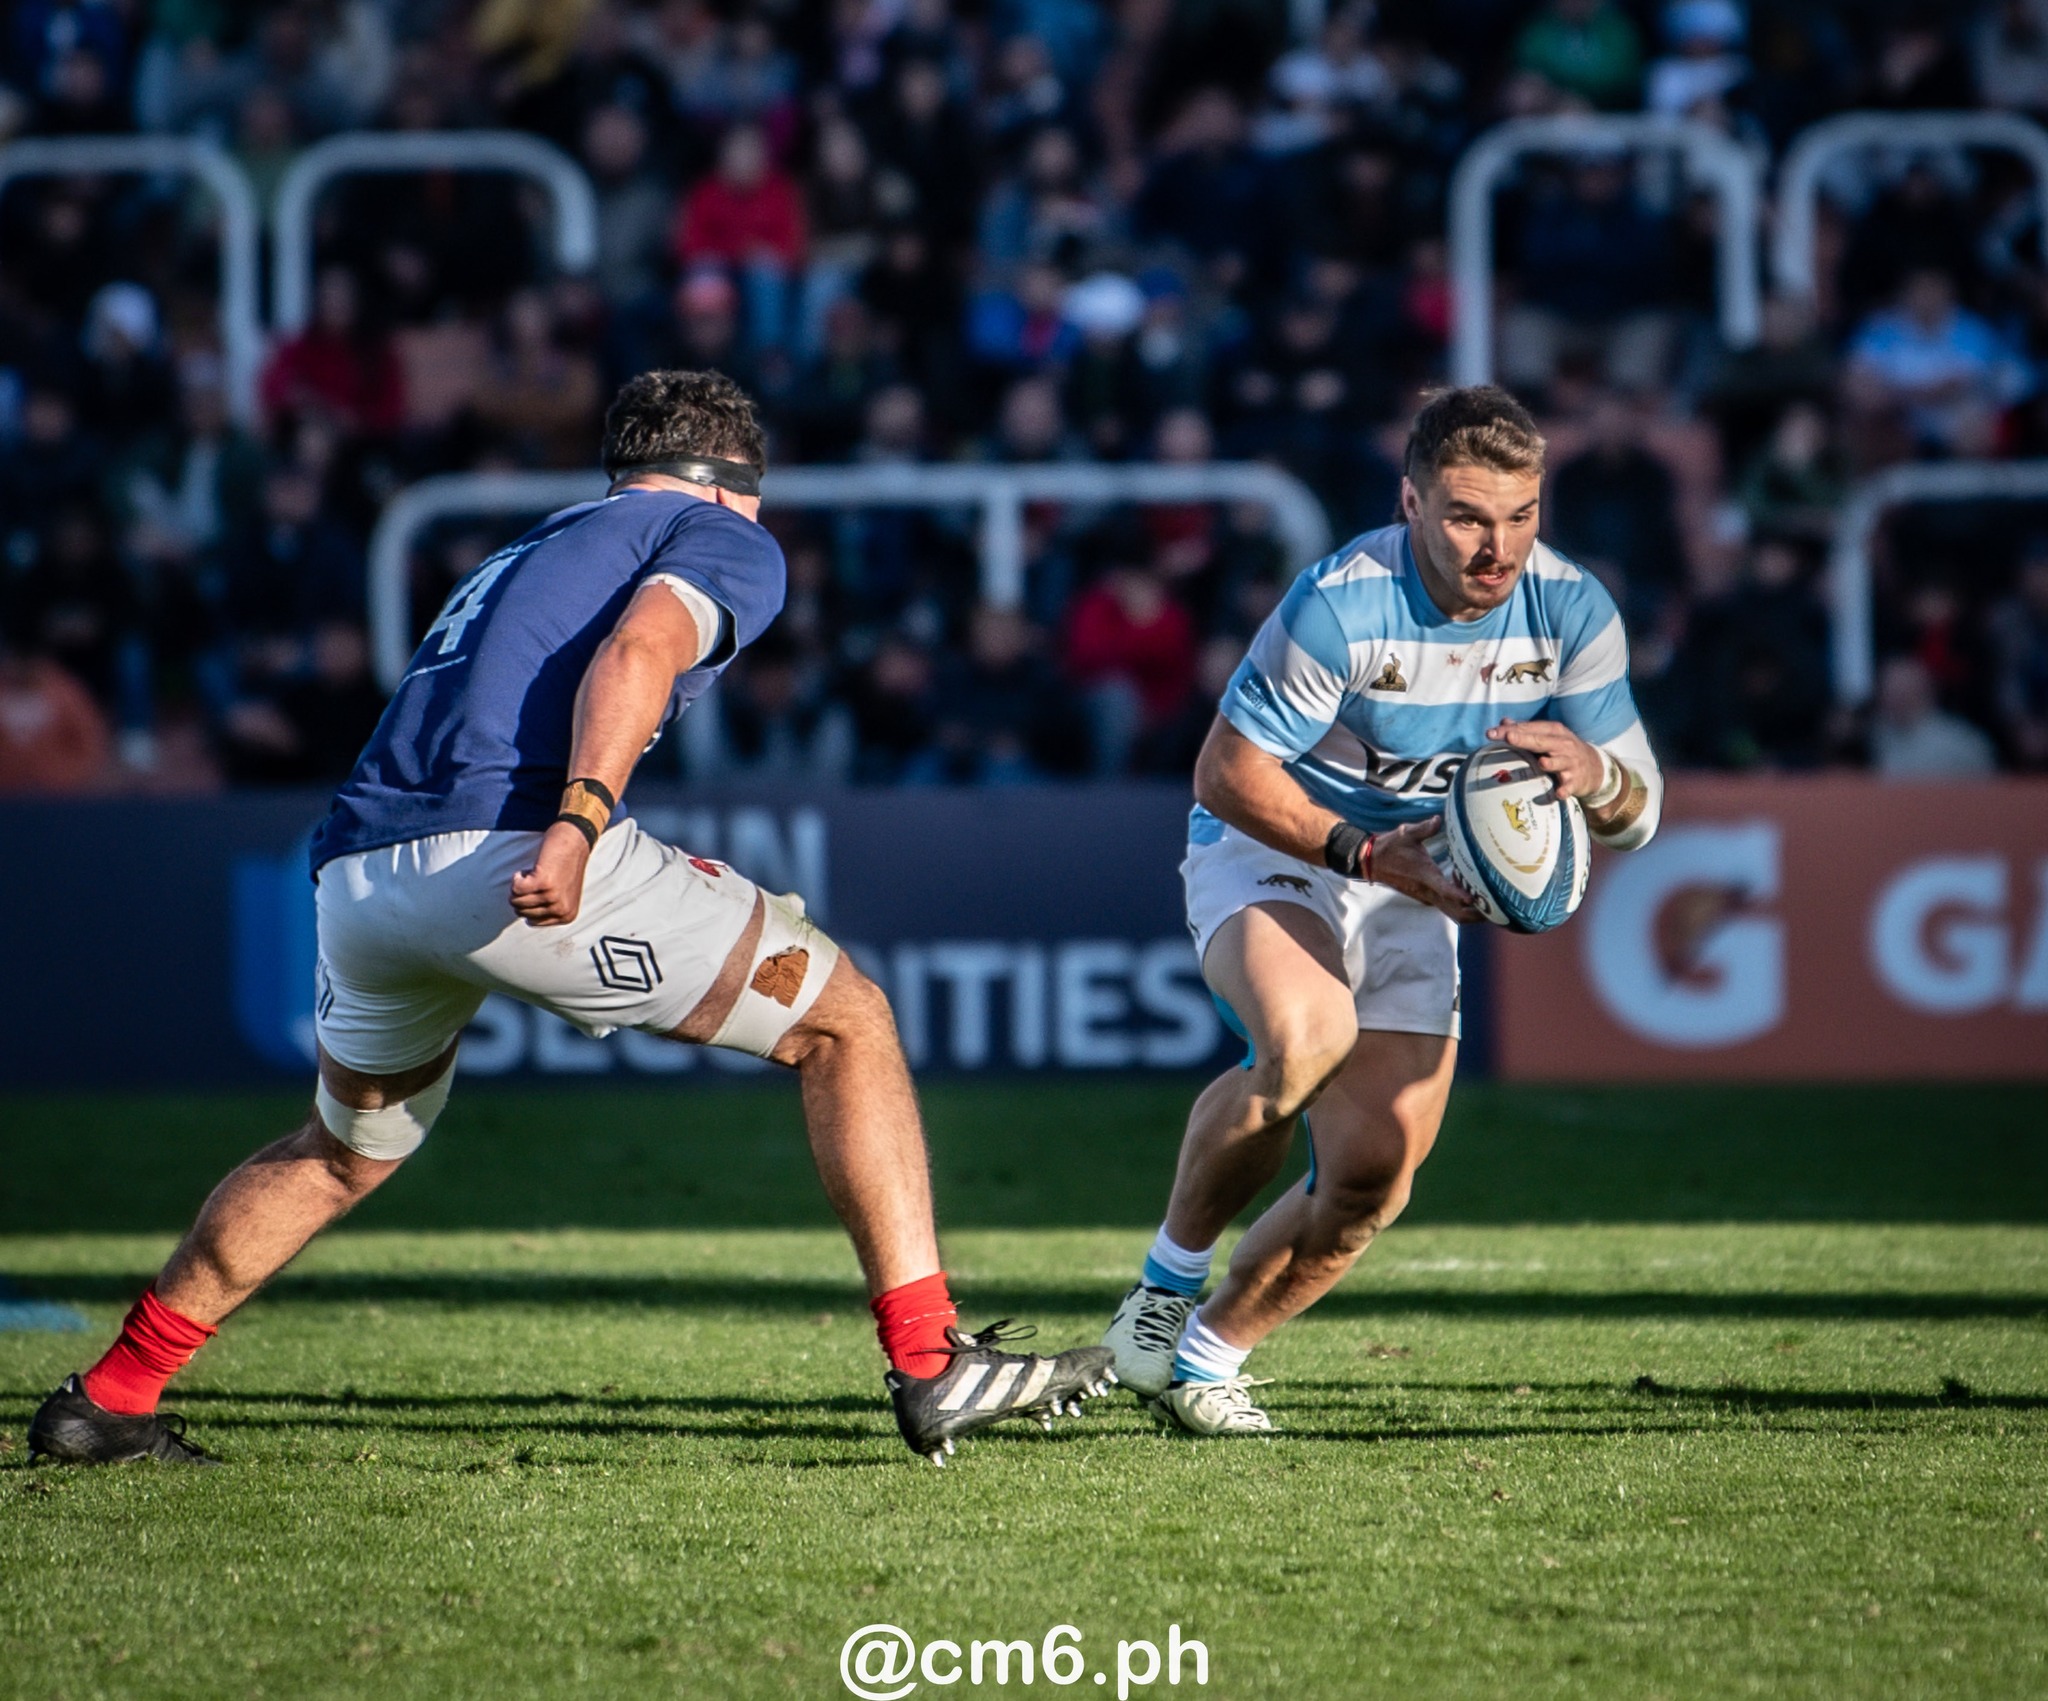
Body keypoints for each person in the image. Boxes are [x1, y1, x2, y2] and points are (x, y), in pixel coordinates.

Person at [28, 371, 1112, 1470]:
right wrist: (581, 822)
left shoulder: (537, 543)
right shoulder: (718, 535)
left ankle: (109, 1397)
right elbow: (638, 653)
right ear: (737, 482)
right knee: (846, 1022)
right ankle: (932, 1362)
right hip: (512, 846)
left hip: (359, 875)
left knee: (339, 1153)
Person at [1099, 386, 1665, 1434]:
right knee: (1306, 1038)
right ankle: (1160, 1292)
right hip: (1283, 847)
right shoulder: (1341, 602)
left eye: (1519, 514)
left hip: (1414, 876)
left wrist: (1594, 774)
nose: (1496, 546)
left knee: (1369, 1182)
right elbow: (1224, 772)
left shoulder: (1572, 609)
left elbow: (1637, 814)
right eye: (1464, 515)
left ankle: (1203, 1361)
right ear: (1409, 502)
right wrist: (1359, 849)